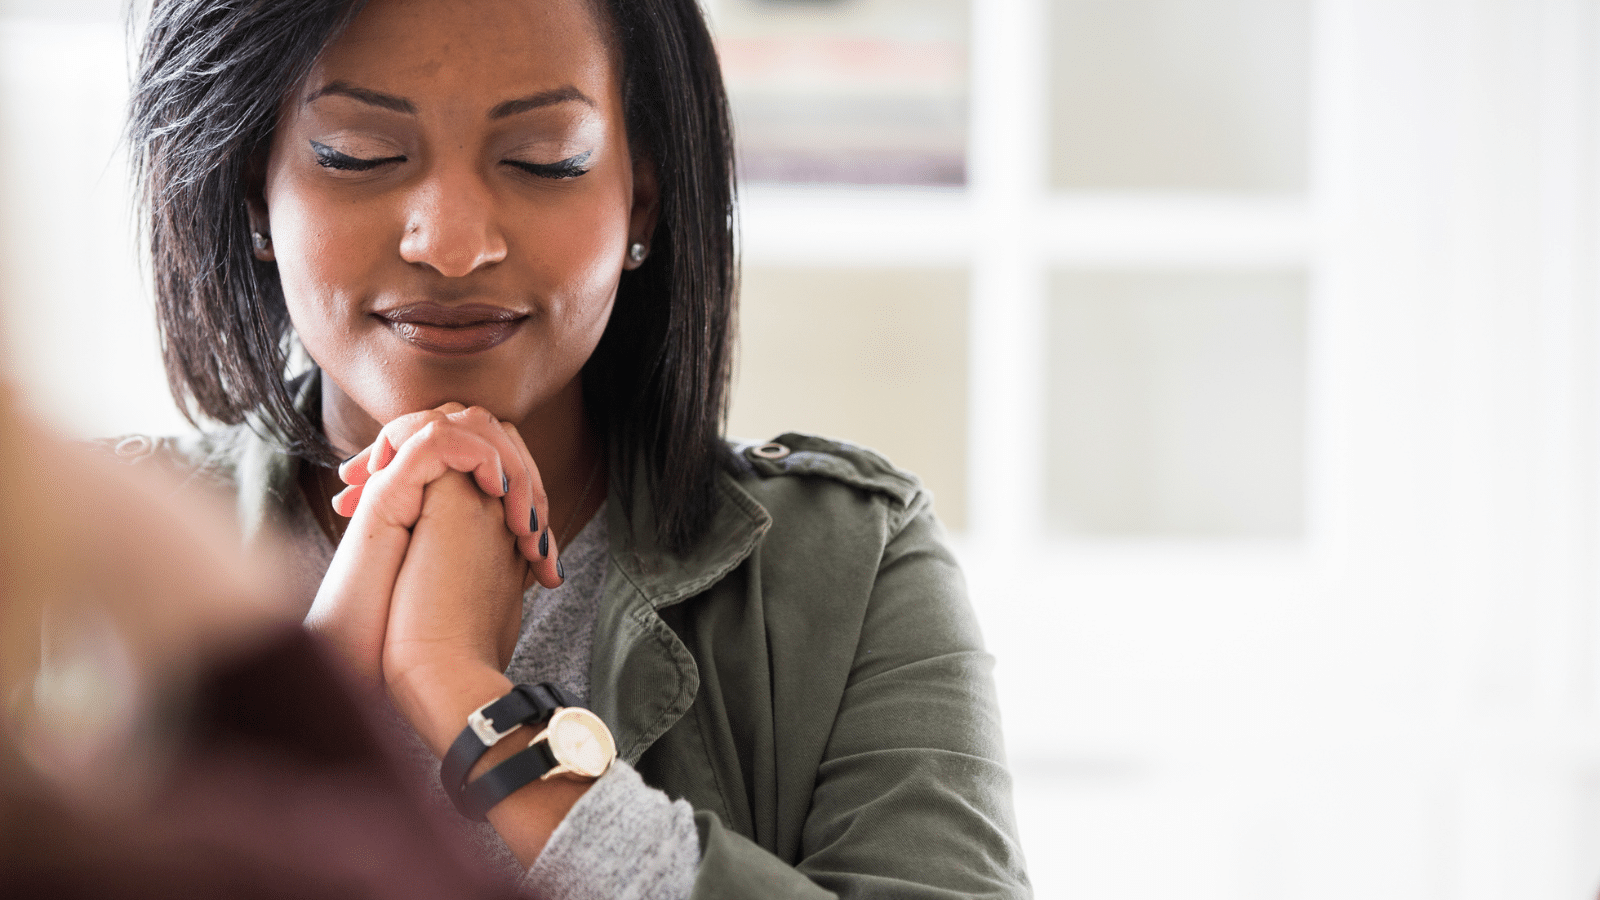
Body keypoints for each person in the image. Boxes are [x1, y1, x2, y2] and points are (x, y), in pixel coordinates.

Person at [124, 0, 1031, 896]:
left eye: (543, 162)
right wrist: (309, 718)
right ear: (255, 189)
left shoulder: (849, 567)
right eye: (355, 155)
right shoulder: (69, 555)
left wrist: (469, 700)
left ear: (640, 199)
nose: (450, 245)